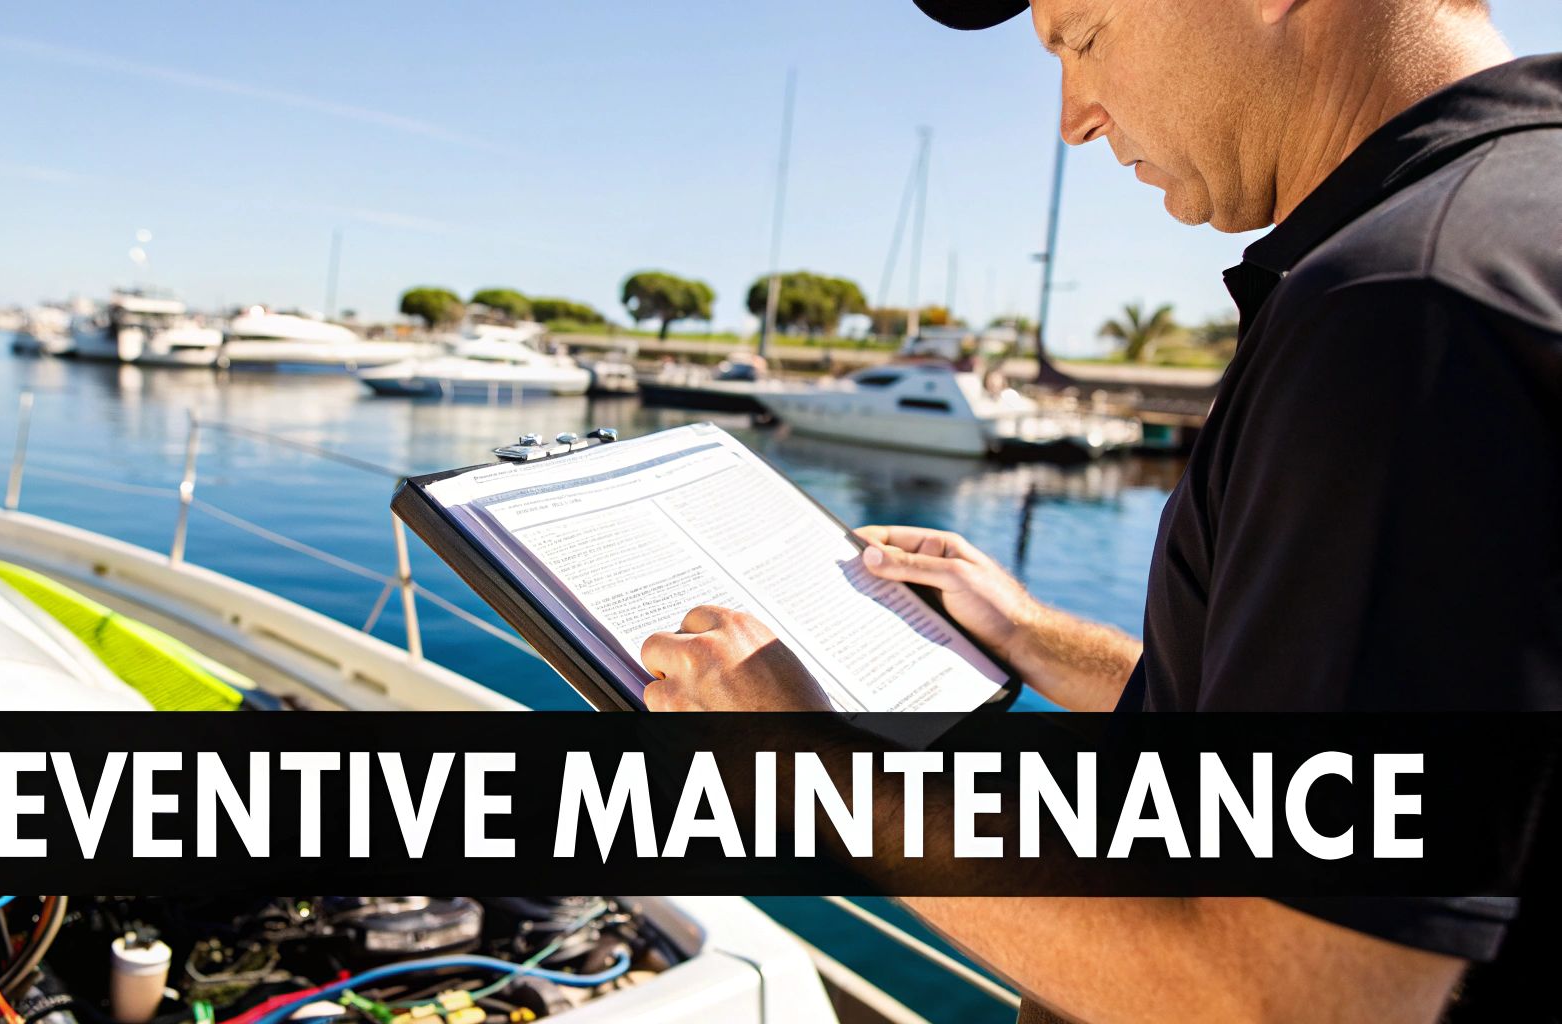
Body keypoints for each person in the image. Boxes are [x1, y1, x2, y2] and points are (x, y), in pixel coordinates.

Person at [639, 1, 1561, 1020]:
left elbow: (1274, 1001)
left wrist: (813, 769)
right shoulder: (1506, 225)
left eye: (1079, 35)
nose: (1073, 116)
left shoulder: (1403, 309)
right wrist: (1030, 635)